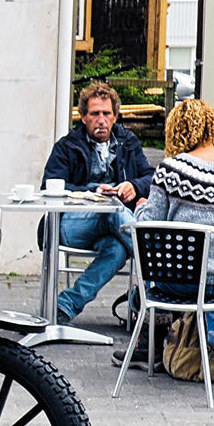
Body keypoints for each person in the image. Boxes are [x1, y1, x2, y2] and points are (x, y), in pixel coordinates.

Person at [125, 99, 214, 361]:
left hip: (182, 283)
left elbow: (147, 228)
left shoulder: (171, 171)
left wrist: (140, 207)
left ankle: (148, 346)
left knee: (145, 273)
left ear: (176, 131)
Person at [41, 82, 153, 325]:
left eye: (106, 113)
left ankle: (66, 305)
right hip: (72, 224)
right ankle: (158, 277)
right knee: (113, 210)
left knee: (117, 249)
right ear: (83, 117)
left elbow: (151, 177)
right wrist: (93, 191)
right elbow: (50, 185)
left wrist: (133, 186)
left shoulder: (128, 141)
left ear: (115, 117)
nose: (101, 120)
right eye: (94, 114)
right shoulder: (67, 146)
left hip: (116, 227)